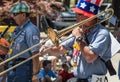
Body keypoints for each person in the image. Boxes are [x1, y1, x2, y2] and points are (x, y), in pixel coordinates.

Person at [40, 0, 115, 82]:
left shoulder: (102, 33)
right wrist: (48, 49)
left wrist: (79, 38)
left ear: (90, 16)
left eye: (79, 14)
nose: (76, 16)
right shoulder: (80, 30)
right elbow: (62, 48)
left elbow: (90, 57)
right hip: (79, 79)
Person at [7, 2, 40, 82]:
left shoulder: (30, 30)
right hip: (13, 66)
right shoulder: (17, 29)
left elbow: (35, 53)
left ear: (23, 15)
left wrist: (35, 74)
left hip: (24, 66)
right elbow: (10, 49)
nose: (13, 17)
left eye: (15, 14)